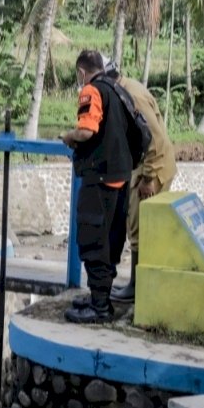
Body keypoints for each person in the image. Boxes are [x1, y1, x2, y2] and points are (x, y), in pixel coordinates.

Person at [62, 50, 134, 323]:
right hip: (121, 176)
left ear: (82, 72)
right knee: (111, 239)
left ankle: (101, 307)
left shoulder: (91, 91)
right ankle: (99, 296)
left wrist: (68, 136)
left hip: (100, 176)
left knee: (93, 239)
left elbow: (86, 131)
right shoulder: (118, 89)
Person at [109, 69, 177, 303]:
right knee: (146, 227)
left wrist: (148, 178)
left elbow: (154, 137)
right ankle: (145, 286)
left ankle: (137, 287)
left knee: (139, 227)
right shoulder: (128, 87)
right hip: (151, 164)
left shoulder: (131, 95)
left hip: (154, 167)